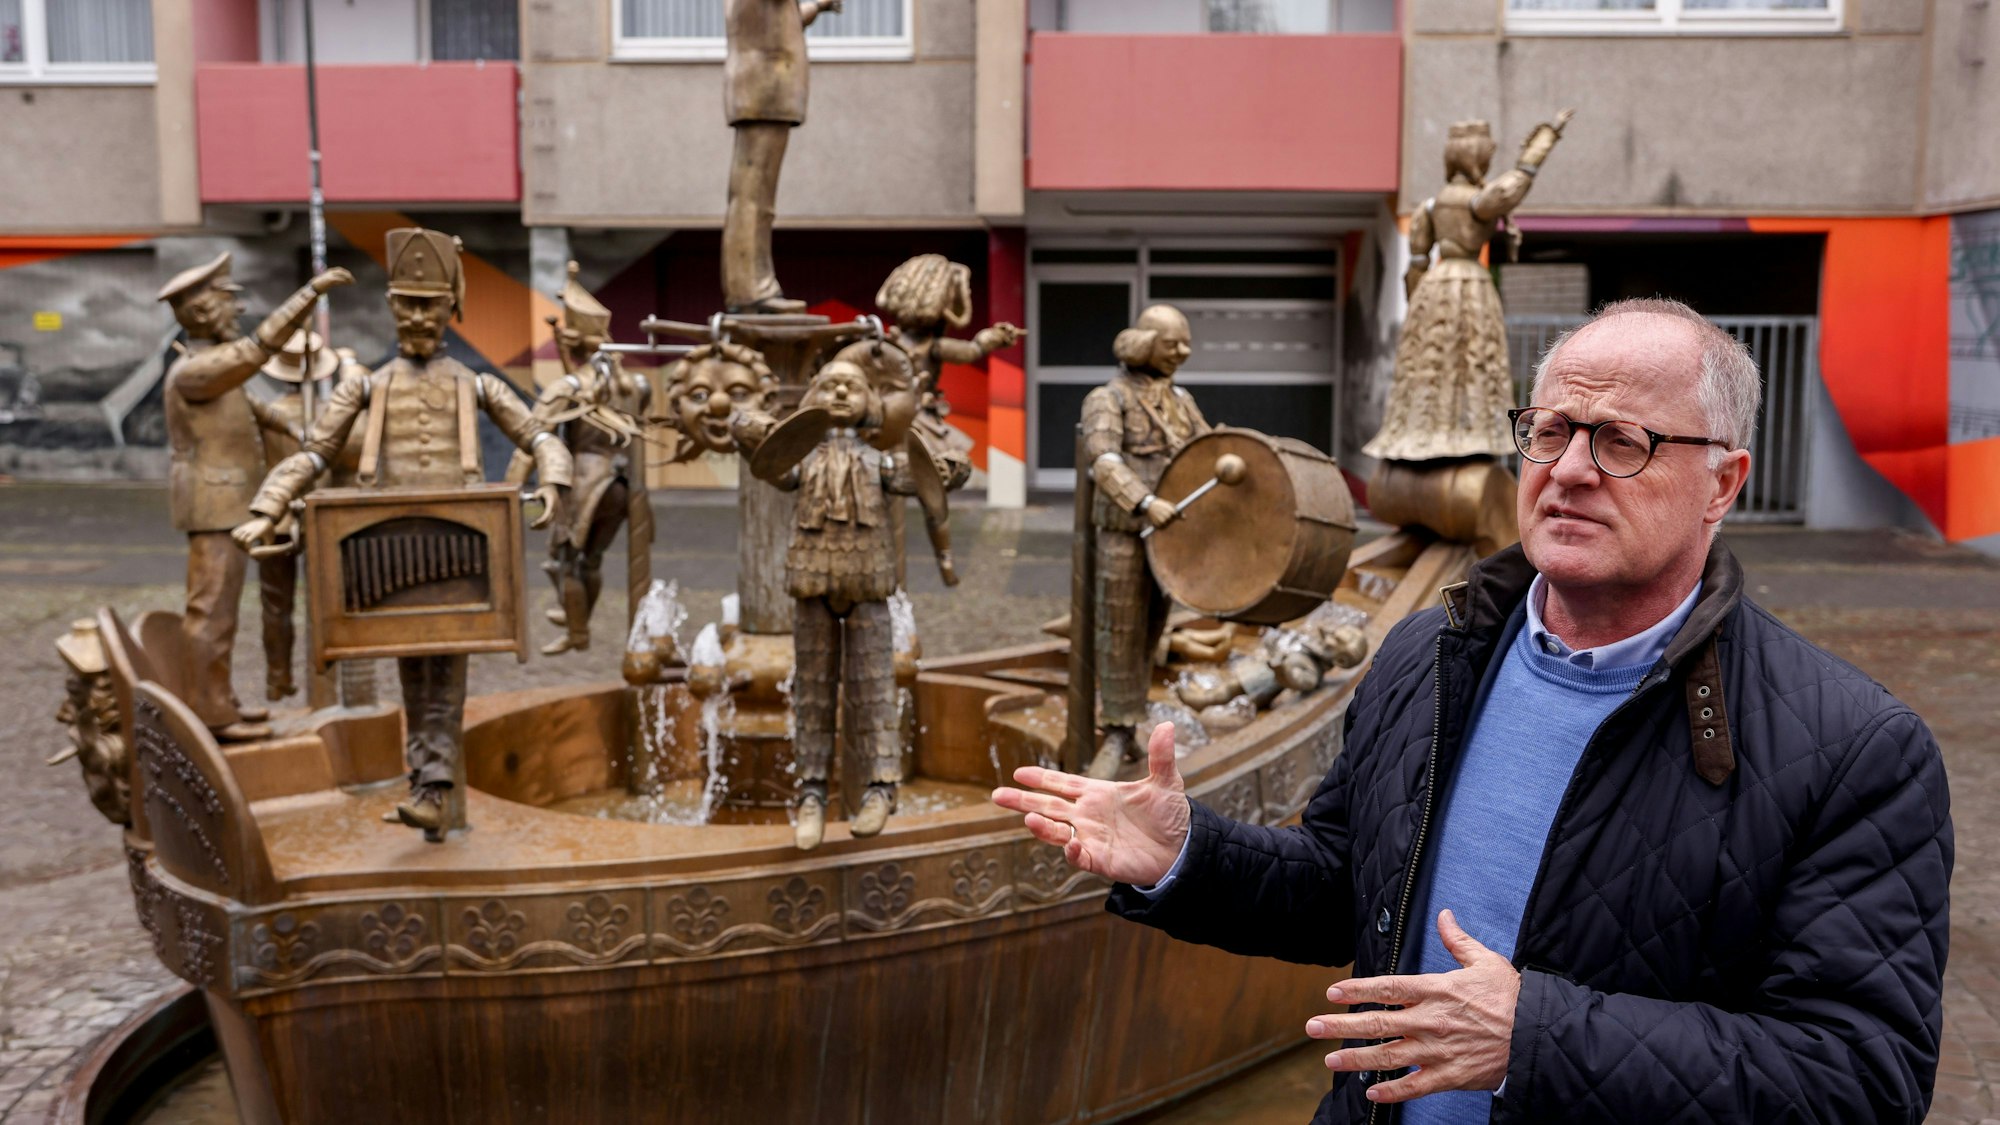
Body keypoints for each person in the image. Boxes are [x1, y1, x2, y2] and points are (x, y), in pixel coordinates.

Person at [996, 298, 1952, 1124]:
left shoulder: (1854, 749)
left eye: (1623, 441)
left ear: (1724, 482)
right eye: (1549, 430)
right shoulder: (1433, 652)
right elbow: (1349, 886)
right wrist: (1190, 856)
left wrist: (1534, 1035)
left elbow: (1861, 1078)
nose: (1570, 468)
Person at [234, 228, 571, 836]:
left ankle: (433, 789)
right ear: (391, 305)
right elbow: (314, 452)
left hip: (461, 548)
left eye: (430, 304)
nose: (417, 317)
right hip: (390, 549)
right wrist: (269, 504)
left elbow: (542, 435)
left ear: (451, 309)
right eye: (406, 303)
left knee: (441, 671)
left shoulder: (479, 385)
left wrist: (552, 479)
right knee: (416, 669)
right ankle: (432, 791)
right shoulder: (363, 384)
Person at [157, 253, 352, 740]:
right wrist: (309, 295)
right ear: (202, 313)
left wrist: (301, 429)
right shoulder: (197, 371)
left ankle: (219, 702)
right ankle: (209, 713)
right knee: (210, 613)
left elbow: (258, 411)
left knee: (220, 613)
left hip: (229, 503)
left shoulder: (211, 373)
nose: (237, 311)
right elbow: (258, 348)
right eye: (228, 303)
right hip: (214, 504)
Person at [1079, 304, 1209, 781]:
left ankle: (1133, 717)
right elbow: (1104, 459)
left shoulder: (1181, 399)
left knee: (1153, 630)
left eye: (1185, 343)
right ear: (1145, 342)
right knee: (1119, 629)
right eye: (1172, 342)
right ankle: (1114, 731)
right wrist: (1143, 501)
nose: (1183, 352)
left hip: (1171, 534)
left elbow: (1205, 448)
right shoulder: (1106, 398)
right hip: (1124, 530)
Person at [722, 0, 843, 313]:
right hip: (764, 87)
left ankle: (757, 286)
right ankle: (749, 290)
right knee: (751, 196)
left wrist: (817, 6)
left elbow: (780, 23)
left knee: (759, 198)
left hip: (769, 88)